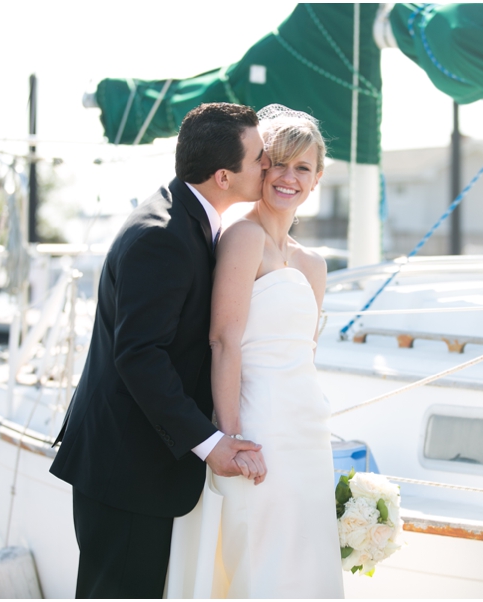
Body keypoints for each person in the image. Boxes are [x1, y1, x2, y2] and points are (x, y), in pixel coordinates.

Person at [49, 103, 271, 599]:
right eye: (259, 157)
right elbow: (139, 355)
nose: (268, 165)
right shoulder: (163, 236)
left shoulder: (186, 216)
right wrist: (211, 444)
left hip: (141, 466)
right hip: (127, 467)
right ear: (222, 176)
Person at [164, 105, 344, 598]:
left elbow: (305, 353)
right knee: (259, 554)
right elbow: (223, 340)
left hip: (306, 427)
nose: (288, 177)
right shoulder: (243, 237)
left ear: (317, 177)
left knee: (306, 560)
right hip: (258, 421)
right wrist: (231, 434)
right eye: (277, 163)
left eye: (302, 167)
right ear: (261, 167)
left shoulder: (313, 264)